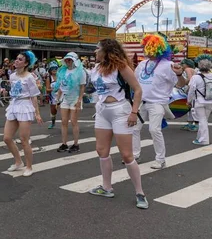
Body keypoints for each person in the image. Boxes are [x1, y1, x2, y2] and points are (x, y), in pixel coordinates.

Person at [87, 39, 148, 209]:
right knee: (101, 150)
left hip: (120, 110)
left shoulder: (120, 67)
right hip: (102, 111)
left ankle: (140, 192)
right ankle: (107, 187)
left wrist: (134, 112)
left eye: (97, 48)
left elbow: (137, 89)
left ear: (107, 51)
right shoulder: (96, 68)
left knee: (127, 155)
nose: (95, 51)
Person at [132, 34, 184, 169]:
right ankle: (135, 155)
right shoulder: (142, 64)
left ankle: (160, 159)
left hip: (157, 103)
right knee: (133, 129)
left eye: (148, 48)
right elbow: (134, 82)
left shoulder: (169, 65)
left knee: (154, 130)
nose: (146, 50)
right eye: (145, 48)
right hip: (141, 102)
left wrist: (179, 74)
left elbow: (181, 84)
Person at [3, 51, 43, 177]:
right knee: (7, 138)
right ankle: (18, 161)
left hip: (25, 106)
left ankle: (29, 166)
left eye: (20, 59)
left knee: (24, 139)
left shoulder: (30, 77)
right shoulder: (12, 76)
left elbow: (34, 96)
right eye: (16, 58)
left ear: (26, 63)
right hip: (14, 105)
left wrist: (37, 113)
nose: (16, 61)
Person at [55, 52, 86, 153]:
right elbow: (61, 86)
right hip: (65, 98)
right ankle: (64, 144)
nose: (68, 62)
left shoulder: (80, 72)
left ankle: (76, 144)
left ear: (74, 61)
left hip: (75, 98)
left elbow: (82, 87)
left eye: (70, 60)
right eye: (67, 60)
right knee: (64, 121)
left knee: (73, 121)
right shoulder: (63, 71)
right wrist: (57, 100)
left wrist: (79, 100)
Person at [187, 57, 212, 146]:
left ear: (199, 66)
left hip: (199, 101)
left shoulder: (196, 77)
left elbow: (191, 90)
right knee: (204, 120)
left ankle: (204, 140)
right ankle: (199, 138)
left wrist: (189, 100)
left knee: (202, 120)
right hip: (210, 100)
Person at [178, 59, 199, 132]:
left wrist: (182, 83)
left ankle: (196, 125)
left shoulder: (187, 69)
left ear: (186, 64)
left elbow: (190, 79)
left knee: (192, 107)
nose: (181, 66)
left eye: (182, 64)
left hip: (191, 90)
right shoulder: (193, 69)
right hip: (194, 90)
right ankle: (190, 124)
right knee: (190, 108)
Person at [45, 61, 59, 129]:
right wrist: (54, 89)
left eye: (55, 68)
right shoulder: (49, 78)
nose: (54, 70)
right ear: (50, 70)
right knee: (53, 111)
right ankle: (53, 123)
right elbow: (47, 89)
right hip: (53, 98)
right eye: (52, 68)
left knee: (64, 110)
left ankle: (65, 123)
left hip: (61, 97)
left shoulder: (60, 77)